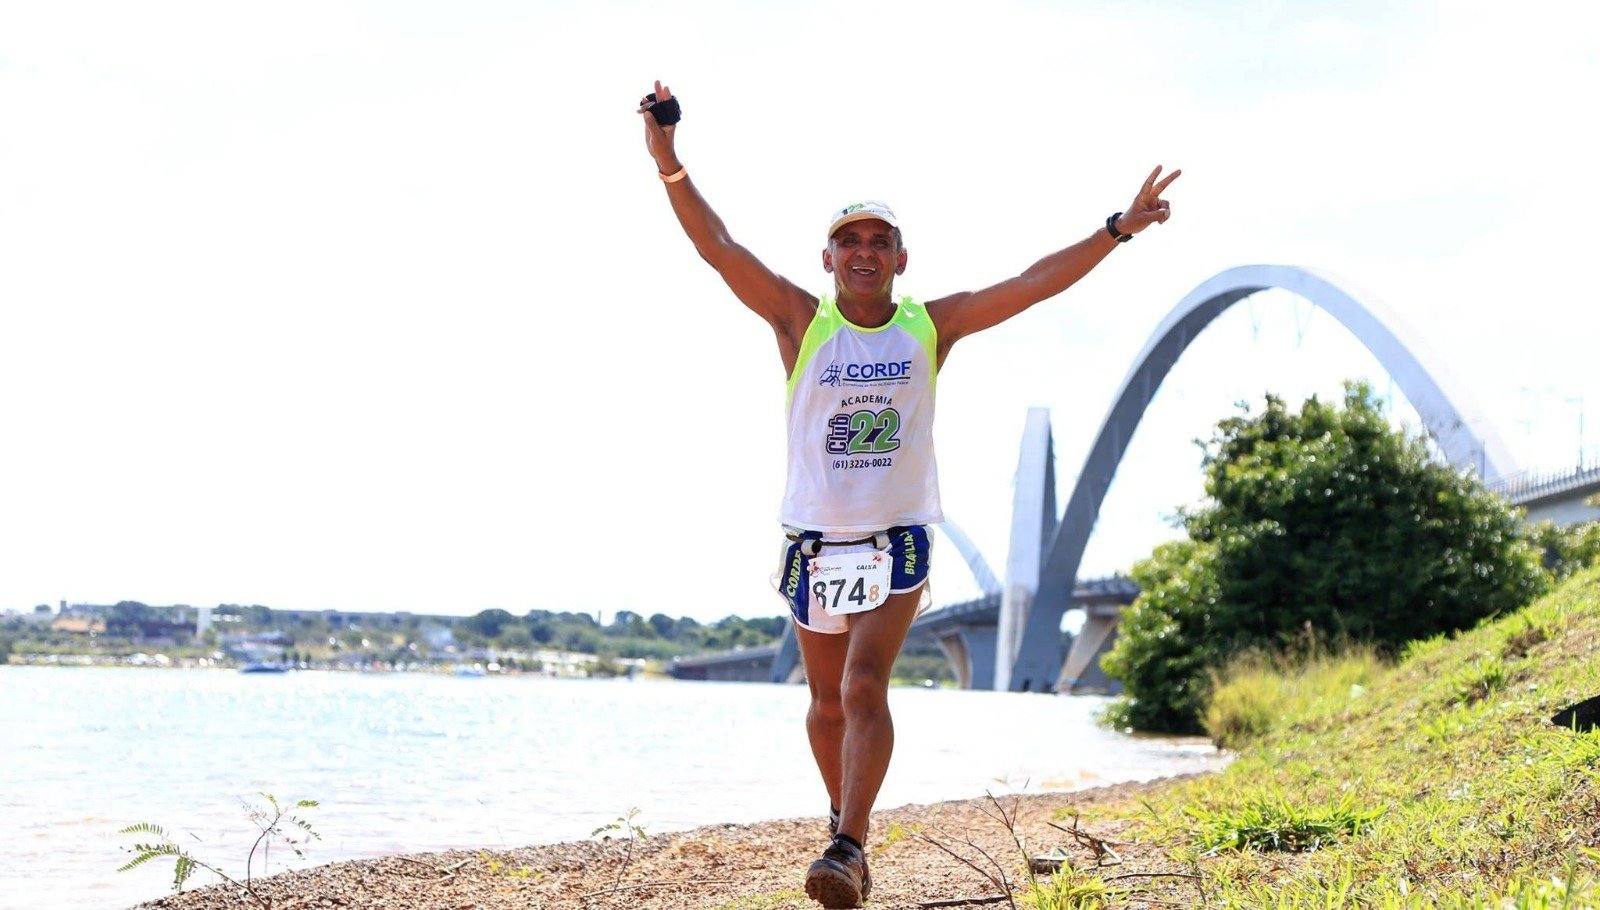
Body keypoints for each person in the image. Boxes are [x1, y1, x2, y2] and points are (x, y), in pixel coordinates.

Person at [637, 80, 1179, 909]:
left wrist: (1118, 228)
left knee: (862, 686)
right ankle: (841, 819)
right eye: (846, 240)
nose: (862, 250)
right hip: (815, 541)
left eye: (878, 240)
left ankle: (849, 849)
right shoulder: (798, 320)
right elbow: (719, 247)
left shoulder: (930, 324)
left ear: (900, 257)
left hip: (897, 537)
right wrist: (669, 161)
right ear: (827, 260)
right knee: (823, 704)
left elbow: (1034, 283)